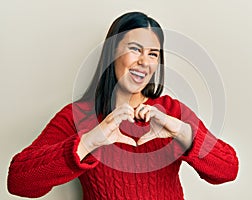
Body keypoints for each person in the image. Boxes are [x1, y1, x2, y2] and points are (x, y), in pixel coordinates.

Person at [7, 11, 239, 200]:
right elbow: (19, 182)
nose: (144, 62)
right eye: (135, 49)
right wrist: (87, 142)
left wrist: (183, 132)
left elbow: (228, 170)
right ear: (112, 52)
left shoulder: (172, 112)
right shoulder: (78, 116)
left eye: (153, 54)